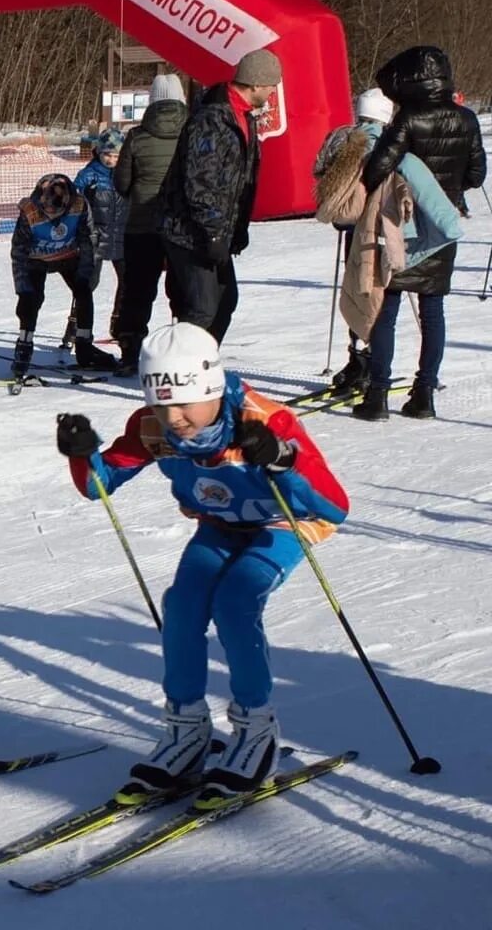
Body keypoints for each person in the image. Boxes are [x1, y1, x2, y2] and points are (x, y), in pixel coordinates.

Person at [55, 322, 349, 801]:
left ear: (212, 389)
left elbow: (334, 505)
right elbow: (97, 486)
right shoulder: (152, 426)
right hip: (218, 524)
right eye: (161, 403)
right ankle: (187, 729)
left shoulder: (263, 422)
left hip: (284, 521)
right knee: (184, 607)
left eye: (184, 402)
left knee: (235, 603)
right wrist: (81, 454)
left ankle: (256, 731)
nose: (173, 418)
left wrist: (280, 461)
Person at [355, 45, 487, 420]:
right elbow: (477, 175)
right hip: (442, 226)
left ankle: (377, 395)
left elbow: (377, 168)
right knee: (433, 311)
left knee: (387, 310)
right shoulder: (467, 119)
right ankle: (424, 394)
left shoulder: (409, 118)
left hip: (404, 225)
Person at [157, 48, 279, 343]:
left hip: (215, 230)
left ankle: (203, 363)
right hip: (190, 231)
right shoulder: (212, 119)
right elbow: (199, 182)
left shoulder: (244, 118)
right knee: (202, 308)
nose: (274, 91)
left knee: (225, 301)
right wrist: (212, 233)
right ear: (256, 83)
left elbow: (238, 180)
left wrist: (236, 229)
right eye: (272, 85)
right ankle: (180, 371)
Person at [310, 87, 400, 392]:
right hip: (375, 229)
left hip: (346, 224)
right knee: (373, 292)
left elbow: (319, 171)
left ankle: (355, 358)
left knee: (353, 291)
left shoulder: (340, 137)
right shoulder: (385, 142)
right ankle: (372, 361)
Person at [112, 73, 188, 376]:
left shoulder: (137, 137)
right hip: (181, 226)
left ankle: (131, 350)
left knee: (137, 291)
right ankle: (184, 347)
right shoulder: (193, 132)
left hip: (141, 226)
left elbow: (122, 182)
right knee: (182, 289)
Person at [10, 172, 110, 376]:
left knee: (84, 293)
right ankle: (24, 346)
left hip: (69, 256)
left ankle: (84, 345)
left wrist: (85, 275)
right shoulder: (29, 211)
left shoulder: (79, 205)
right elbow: (19, 253)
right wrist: (23, 288)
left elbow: (88, 240)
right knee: (31, 300)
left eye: (58, 211)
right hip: (36, 260)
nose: (52, 216)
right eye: (47, 211)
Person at [72, 129, 127, 357]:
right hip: (95, 238)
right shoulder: (89, 174)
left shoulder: (124, 174)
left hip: (120, 236)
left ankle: (118, 324)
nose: (112, 160)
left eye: (116, 156)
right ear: (98, 152)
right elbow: (75, 201)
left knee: (128, 282)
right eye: (107, 155)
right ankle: (75, 328)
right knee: (87, 285)